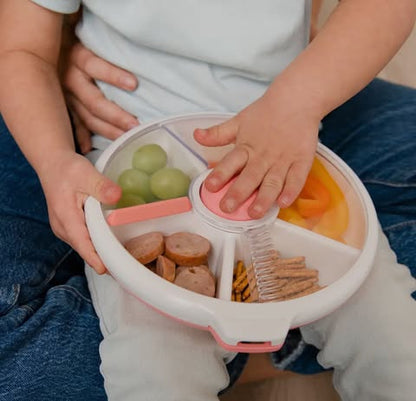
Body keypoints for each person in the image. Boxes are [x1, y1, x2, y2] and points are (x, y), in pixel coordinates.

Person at [0, 1, 415, 400]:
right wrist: (55, 161)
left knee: (391, 340)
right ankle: (257, 344)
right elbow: (20, 48)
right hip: (125, 157)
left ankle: (249, 343)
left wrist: (298, 103)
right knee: (154, 367)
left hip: (290, 149)